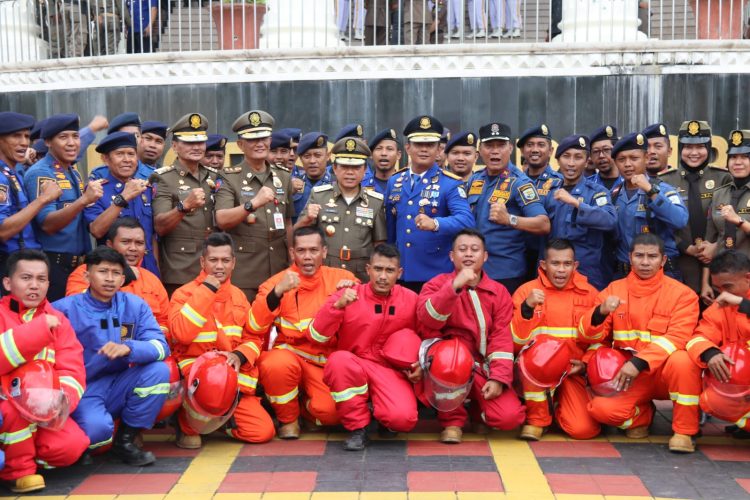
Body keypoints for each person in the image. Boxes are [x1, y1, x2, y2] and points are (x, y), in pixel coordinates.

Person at [579, 233, 701, 453]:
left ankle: (685, 431)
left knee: (683, 360)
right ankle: (641, 416)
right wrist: (599, 313)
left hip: (665, 372)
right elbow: (592, 338)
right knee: (600, 411)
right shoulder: (613, 291)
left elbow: (678, 337)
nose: (645, 262)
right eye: (640, 256)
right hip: (629, 377)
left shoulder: (683, 295)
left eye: (652, 257)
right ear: (630, 257)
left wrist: (638, 362)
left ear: (663, 260)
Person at [54, 247, 170, 465]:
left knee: (159, 371)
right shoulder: (63, 309)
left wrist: (130, 348)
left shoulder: (134, 305)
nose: (109, 279)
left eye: (115, 273)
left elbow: (161, 346)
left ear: (123, 278)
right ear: (87, 275)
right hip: (84, 388)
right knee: (97, 432)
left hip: (120, 383)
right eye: (103, 271)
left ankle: (125, 442)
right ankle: (85, 437)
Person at [417, 229, 525, 443]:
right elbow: (428, 319)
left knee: (509, 418)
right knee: (452, 358)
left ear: (485, 256)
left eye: (475, 250)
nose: (468, 254)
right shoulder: (436, 284)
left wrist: (498, 378)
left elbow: (501, 337)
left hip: (482, 365)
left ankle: (478, 412)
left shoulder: (499, 291)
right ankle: (452, 422)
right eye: (462, 249)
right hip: (448, 362)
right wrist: (455, 286)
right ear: (451, 256)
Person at [311, 244, 420, 450]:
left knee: (403, 419)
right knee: (339, 361)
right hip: (353, 365)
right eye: (378, 269)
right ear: (368, 269)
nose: (382, 276)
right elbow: (317, 335)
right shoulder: (347, 294)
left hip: (390, 371)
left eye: (389, 271)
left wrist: (421, 366)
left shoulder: (411, 300)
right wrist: (337, 307)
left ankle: (381, 415)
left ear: (399, 273)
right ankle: (357, 429)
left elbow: (426, 338)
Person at [251, 227, 357, 439]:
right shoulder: (276, 282)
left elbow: (360, 322)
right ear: (292, 253)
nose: (307, 256)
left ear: (324, 252)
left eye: (313, 250)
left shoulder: (342, 278)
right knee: (276, 364)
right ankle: (288, 420)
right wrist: (277, 292)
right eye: (301, 250)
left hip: (324, 362)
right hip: (289, 356)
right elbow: (255, 325)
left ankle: (306, 410)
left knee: (331, 414)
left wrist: (349, 292)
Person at [169, 232, 274, 447]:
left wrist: (239, 355)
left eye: (225, 260)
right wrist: (207, 289)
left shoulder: (239, 297)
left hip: (231, 382)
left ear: (233, 263)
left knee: (262, 432)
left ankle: (218, 420)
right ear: (202, 262)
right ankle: (186, 422)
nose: (219, 266)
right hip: (196, 380)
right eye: (213, 260)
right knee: (193, 439)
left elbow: (253, 338)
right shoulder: (183, 294)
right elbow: (182, 334)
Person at [0, 250, 89, 493]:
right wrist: (39, 329)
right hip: (5, 407)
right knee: (11, 409)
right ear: (8, 282)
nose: (34, 285)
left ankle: (20, 456)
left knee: (72, 446)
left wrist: (60, 405)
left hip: (43, 410)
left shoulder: (58, 319)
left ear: (49, 283)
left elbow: (72, 369)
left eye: (41, 279)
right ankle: (19, 472)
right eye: (26, 278)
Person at [511, 239, 601, 440]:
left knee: (583, 430)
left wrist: (586, 364)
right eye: (555, 263)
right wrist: (527, 308)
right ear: (543, 265)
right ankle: (537, 420)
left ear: (575, 265)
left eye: (567, 264)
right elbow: (516, 342)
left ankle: (555, 406)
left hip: (573, 371)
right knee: (534, 361)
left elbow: (600, 340)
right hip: (537, 372)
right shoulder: (526, 292)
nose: (561, 270)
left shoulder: (591, 294)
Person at [385, 115, 474, 292]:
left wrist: (435, 223)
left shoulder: (450, 183)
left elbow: (467, 220)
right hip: (401, 273)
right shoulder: (394, 181)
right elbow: (391, 230)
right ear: (408, 147)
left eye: (430, 145)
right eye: (418, 144)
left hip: (435, 274)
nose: (424, 149)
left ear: (439, 150)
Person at [215, 110, 294, 301]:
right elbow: (221, 219)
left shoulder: (283, 176)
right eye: (252, 139)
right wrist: (252, 204)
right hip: (245, 272)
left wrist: (292, 260)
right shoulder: (228, 176)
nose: (260, 143)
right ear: (241, 145)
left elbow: (288, 221)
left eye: (264, 138)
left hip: (279, 268)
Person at [24, 114, 105, 301]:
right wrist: (83, 200)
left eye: (75, 136)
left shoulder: (71, 171)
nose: (72, 143)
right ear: (48, 142)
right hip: (53, 266)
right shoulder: (41, 172)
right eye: (63, 137)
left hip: (78, 266)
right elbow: (47, 224)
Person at [466, 122, 550, 294]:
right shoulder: (475, 179)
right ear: (480, 150)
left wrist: (509, 219)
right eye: (489, 145)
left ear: (510, 148)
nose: (495, 151)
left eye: (501, 145)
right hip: (474, 270)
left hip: (505, 273)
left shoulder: (520, 182)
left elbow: (543, 224)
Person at [296, 137, 386, 282]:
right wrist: (307, 219)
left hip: (361, 276)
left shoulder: (375, 201)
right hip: (326, 274)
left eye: (356, 167)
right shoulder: (319, 196)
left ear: (364, 170)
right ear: (335, 169)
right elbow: (298, 234)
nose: (350, 172)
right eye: (344, 167)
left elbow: (379, 245)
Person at [659, 121, 732, 297]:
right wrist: (685, 247)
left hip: (718, 260)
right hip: (681, 261)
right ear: (680, 149)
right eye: (688, 147)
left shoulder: (723, 178)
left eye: (700, 147)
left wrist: (716, 246)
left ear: (708, 148)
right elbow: (662, 224)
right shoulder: (666, 181)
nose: (694, 153)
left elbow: (730, 219)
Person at [66, 218, 170, 337]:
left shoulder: (152, 280)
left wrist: (148, 337)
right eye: (126, 242)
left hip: (143, 350)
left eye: (139, 243)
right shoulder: (86, 272)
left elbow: (164, 322)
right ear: (110, 245)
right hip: (97, 348)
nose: (133, 248)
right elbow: (76, 310)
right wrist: (124, 277)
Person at [152, 113, 219, 296]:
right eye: (189, 142)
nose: (196, 147)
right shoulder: (163, 178)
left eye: (200, 142)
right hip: (180, 270)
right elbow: (160, 226)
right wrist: (184, 206)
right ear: (174, 146)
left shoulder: (214, 176)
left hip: (214, 268)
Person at [687, 250, 750, 436]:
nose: (722, 294)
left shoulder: (733, 301)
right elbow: (699, 336)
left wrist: (742, 303)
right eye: (718, 288)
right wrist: (710, 353)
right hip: (741, 382)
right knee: (712, 400)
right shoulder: (720, 306)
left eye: (727, 286)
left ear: (748, 277)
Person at [610, 132, 688, 280]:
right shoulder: (613, 196)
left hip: (661, 274)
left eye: (634, 158)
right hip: (624, 274)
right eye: (621, 159)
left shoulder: (663, 190)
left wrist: (650, 190)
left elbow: (680, 220)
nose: (627, 164)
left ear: (646, 158)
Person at [544, 135, 616, 290]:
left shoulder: (597, 192)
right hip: (553, 274)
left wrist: (576, 203)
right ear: (557, 160)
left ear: (586, 161)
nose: (571, 163)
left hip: (586, 274)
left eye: (578, 157)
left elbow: (610, 220)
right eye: (566, 157)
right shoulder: (549, 192)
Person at [84, 132, 158, 276]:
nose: (127, 160)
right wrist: (123, 197)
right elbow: (96, 230)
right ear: (106, 159)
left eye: (131, 154)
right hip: (113, 271)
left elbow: (153, 237)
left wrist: (157, 270)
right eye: (120, 154)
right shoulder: (97, 190)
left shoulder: (147, 189)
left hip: (147, 269)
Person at [0, 112, 62, 276]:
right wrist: (43, 199)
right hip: (9, 264)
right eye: (16, 136)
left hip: (23, 261)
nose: (24, 143)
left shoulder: (12, 173)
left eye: (27, 136)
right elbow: (2, 231)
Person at [701, 129, 750, 305]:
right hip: (721, 280)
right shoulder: (719, 194)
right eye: (733, 157)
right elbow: (711, 242)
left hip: (747, 279)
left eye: (744, 157)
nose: (738, 162)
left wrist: (739, 221)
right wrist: (705, 282)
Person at [517, 124, 563, 281]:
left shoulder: (560, 182)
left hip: (546, 257)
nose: (535, 149)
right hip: (516, 257)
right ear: (522, 151)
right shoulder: (512, 181)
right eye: (530, 145)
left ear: (550, 151)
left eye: (541, 145)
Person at [293, 132, 333, 218]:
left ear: (328, 156)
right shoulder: (292, 186)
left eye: (317, 155)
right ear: (300, 158)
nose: (312, 161)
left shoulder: (337, 185)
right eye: (307, 156)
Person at [362, 128, 402, 195]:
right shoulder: (361, 186)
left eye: (389, 149)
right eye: (379, 148)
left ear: (398, 155)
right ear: (371, 154)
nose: (384, 153)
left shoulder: (408, 186)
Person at [588, 125, 622, 192]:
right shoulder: (587, 186)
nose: (601, 156)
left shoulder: (630, 183)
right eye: (596, 151)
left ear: (616, 151)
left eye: (606, 150)